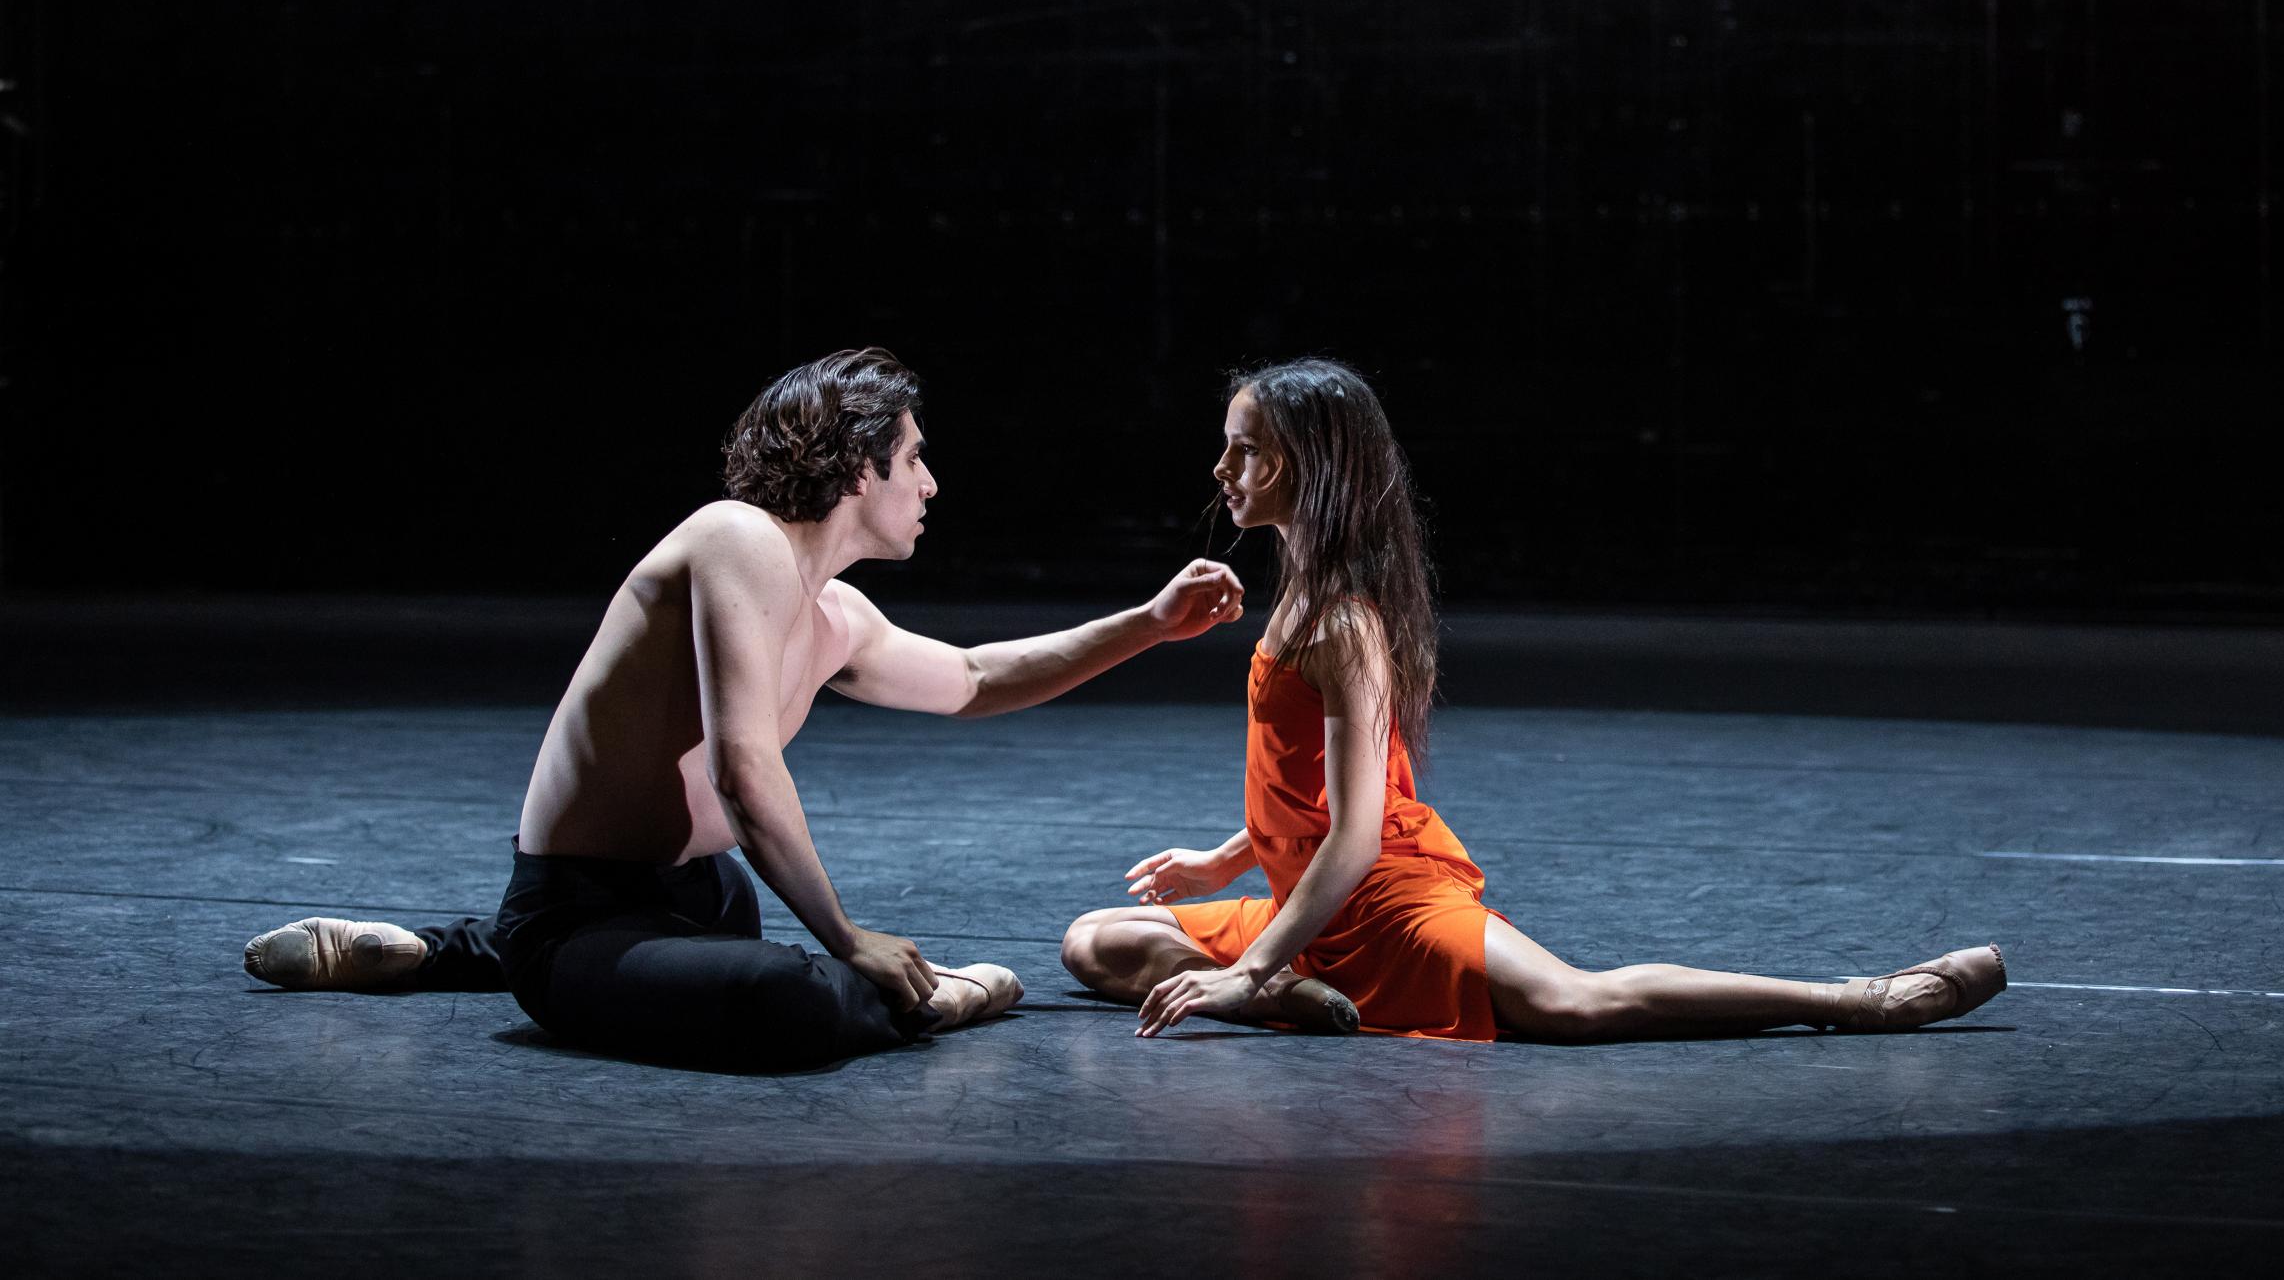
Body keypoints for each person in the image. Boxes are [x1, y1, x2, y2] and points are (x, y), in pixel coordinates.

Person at [244, 347, 1249, 1070]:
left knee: (763, 971)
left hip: (697, 893)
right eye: (916, 457)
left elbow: (978, 677)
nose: (932, 482)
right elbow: (742, 764)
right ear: (861, 466)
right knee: (789, 995)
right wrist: (847, 936)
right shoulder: (735, 538)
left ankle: (444, 950)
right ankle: (486, 951)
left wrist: (1148, 621)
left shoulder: (835, 612)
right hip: (576, 911)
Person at [1060, 358, 2007, 1041]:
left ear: (1309, 465)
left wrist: (1254, 960)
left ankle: (1860, 998)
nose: (1222, 472)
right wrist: (1228, 859)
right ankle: (1282, 994)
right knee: (1092, 940)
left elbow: (1354, 834)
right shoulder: (1296, 589)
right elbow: (1304, 780)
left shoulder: (1344, 622)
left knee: (1572, 1002)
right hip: (1301, 899)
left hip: (1379, 898)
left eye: (1245, 452)